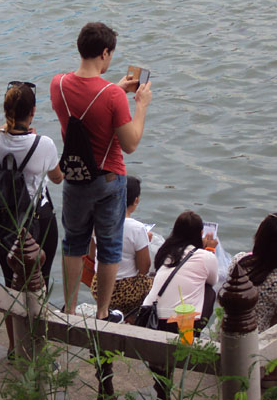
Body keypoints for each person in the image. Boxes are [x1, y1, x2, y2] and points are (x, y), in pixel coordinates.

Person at [50, 22, 152, 322]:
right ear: (105, 53)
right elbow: (130, 143)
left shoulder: (58, 84)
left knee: (73, 243)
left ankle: (68, 309)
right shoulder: (112, 97)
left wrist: (116, 89)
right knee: (109, 247)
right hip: (108, 180)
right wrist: (141, 106)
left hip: (75, 178)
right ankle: (103, 312)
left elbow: (85, 109)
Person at [0, 81, 63, 357]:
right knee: (39, 285)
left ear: (5, 109)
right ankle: (38, 349)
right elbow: (57, 178)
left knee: (10, 283)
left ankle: (14, 347)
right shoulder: (43, 144)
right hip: (37, 224)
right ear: (32, 112)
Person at [142, 211, 217, 333]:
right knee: (208, 290)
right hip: (180, 322)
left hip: (151, 316)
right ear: (201, 234)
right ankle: (194, 332)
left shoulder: (164, 251)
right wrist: (210, 249)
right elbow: (213, 280)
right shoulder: (205, 256)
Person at [89, 175, 153, 317]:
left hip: (99, 287)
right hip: (126, 292)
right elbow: (144, 268)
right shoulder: (138, 228)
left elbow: (91, 256)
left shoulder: (98, 220)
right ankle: (132, 317)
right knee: (155, 280)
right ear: (136, 200)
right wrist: (145, 241)